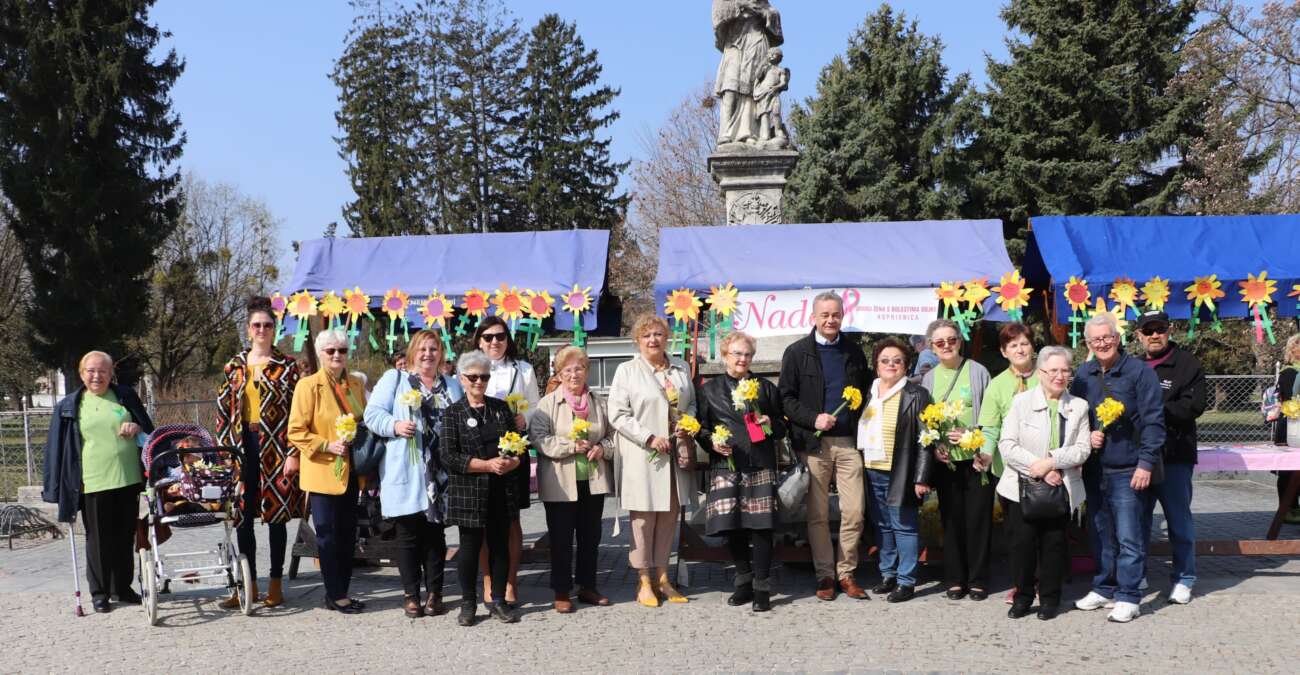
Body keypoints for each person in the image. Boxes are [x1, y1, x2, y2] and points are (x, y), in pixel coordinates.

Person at [1070, 313, 1166, 623]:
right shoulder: (1083, 375)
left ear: (1118, 338)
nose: (1102, 344)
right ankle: (1104, 587)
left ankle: (1129, 594)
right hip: (1096, 468)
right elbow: (1075, 417)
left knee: (1129, 535)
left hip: (1129, 467)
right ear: (1087, 343)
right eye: (1095, 340)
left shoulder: (1139, 372)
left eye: (1107, 337)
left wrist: (1146, 462)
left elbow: (1154, 421)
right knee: (1101, 534)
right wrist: (1087, 437)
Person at [778, 291, 873, 601]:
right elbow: (786, 398)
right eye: (825, 315)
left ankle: (846, 572)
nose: (831, 320)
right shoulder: (796, 352)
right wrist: (812, 419)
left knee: (855, 511)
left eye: (835, 314)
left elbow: (865, 393)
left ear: (842, 316)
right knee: (817, 514)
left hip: (848, 443)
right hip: (813, 444)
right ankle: (825, 575)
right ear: (813, 317)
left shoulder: (853, 352)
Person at [42, 351, 155, 614]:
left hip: (128, 478)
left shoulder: (125, 396)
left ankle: (122, 588)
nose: (97, 375)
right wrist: (53, 488)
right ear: (82, 374)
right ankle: (100, 592)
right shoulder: (70, 405)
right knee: (99, 539)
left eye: (103, 370)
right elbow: (56, 449)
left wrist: (136, 427)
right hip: (92, 481)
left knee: (125, 535)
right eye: (91, 371)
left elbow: (149, 430)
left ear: (111, 373)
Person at [364, 329, 463, 618]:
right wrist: (395, 425)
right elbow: (372, 415)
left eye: (433, 349)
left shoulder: (452, 385)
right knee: (407, 536)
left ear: (440, 354)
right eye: (422, 349)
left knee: (435, 536)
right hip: (407, 468)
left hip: (440, 474)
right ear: (412, 353)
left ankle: (435, 594)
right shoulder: (394, 380)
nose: (428, 354)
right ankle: (411, 595)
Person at [214, 296, 304, 609]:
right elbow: (223, 411)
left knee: (276, 517)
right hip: (241, 448)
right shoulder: (234, 366)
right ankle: (247, 585)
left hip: (277, 449)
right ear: (248, 329)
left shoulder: (288, 367)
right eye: (256, 325)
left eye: (267, 325)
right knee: (242, 516)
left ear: (274, 329)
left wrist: (294, 452)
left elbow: (298, 413)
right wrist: (224, 452)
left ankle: (276, 584)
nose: (262, 329)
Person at [608, 313, 697, 607]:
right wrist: (648, 437)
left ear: (666, 337)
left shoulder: (681, 367)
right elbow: (618, 414)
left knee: (668, 518)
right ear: (637, 340)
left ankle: (663, 577)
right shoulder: (626, 371)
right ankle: (643, 579)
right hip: (643, 455)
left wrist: (689, 422)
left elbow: (692, 402)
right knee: (644, 521)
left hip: (674, 454)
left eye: (658, 334)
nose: (653, 340)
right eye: (646, 336)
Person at [998, 346, 1091, 621]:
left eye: (1065, 370)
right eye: (1054, 370)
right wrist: (1036, 468)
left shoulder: (1079, 406)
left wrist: (1052, 461)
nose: (1060, 376)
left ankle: (1050, 598)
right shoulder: (1020, 402)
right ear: (1040, 373)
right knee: (1021, 546)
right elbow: (1007, 445)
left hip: (1060, 487)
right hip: (1020, 487)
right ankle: (1023, 596)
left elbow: (1082, 449)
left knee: (1054, 546)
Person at [694, 331, 786, 612]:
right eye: (736, 354)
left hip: (759, 462)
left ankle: (762, 587)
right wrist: (712, 443)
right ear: (724, 356)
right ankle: (743, 581)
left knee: (761, 528)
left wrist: (771, 423)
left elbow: (782, 429)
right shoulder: (709, 390)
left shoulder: (765, 388)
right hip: (727, 465)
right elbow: (701, 427)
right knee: (731, 526)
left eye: (747, 354)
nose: (742, 359)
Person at [529, 346, 615, 613]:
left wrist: (603, 449)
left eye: (579, 368)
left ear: (587, 371)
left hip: (593, 478)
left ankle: (588, 586)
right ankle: (562, 590)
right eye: (568, 369)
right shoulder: (547, 404)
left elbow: (614, 436)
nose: (574, 374)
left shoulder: (599, 402)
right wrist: (569, 446)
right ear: (559, 372)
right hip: (560, 483)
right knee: (561, 539)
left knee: (591, 537)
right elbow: (540, 439)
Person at [288, 328, 368, 614]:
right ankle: (335, 594)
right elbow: (295, 431)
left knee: (347, 535)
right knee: (328, 536)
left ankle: (340, 591)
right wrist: (326, 445)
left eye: (342, 351)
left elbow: (365, 420)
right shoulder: (308, 386)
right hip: (323, 473)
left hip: (352, 472)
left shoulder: (356, 384)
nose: (336, 355)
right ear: (321, 354)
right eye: (330, 351)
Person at [441, 350, 523, 626]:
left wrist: (511, 463)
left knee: (500, 546)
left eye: (484, 377)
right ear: (461, 379)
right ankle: (468, 603)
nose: (479, 382)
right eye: (473, 377)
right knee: (469, 548)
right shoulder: (453, 413)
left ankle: (498, 600)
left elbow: (518, 447)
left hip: (500, 490)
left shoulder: (500, 409)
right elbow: (449, 456)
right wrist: (485, 465)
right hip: (469, 490)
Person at [1135, 310, 1206, 604]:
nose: (1154, 335)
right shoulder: (1133, 366)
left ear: (1170, 330)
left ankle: (1184, 578)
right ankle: (1135, 576)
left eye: (1160, 329)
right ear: (1138, 335)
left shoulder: (1188, 364)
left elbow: (1194, 407)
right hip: (1139, 459)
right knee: (1136, 521)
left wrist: (1154, 410)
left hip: (1174, 456)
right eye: (1148, 330)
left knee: (1179, 521)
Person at [857, 337, 934, 603]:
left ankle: (906, 581)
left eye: (897, 361)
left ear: (906, 365)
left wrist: (922, 477)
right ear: (876, 365)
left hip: (900, 470)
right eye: (885, 360)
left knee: (904, 526)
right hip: (871, 468)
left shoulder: (917, 394)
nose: (891, 365)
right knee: (882, 525)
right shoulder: (870, 392)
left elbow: (927, 439)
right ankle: (887, 573)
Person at [920, 319, 993, 600]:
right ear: (932, 347)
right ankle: (954, 578)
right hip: (946, 461)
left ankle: (978, 579)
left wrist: (973, 435)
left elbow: (991, 416)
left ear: (960, 341)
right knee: (950, 520)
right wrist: (935, 444)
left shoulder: (978, 372)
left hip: (976, 460)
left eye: (951, 340)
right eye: (940, 342)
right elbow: (925, 420)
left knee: (978, 520)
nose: (947, 346)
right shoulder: (929, 378)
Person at [472, 316, 538, 607]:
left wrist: (528, 417)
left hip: (513, 448)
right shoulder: (470, 368)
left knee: (512, 520)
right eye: (488, 337)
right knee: (484, 521)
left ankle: (510, 582)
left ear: (507, 339)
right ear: (479, 341)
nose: (494, 342)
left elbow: (537, 406)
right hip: (481, 450)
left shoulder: (522, 369)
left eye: (499, 336)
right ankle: (488, 581)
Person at [974, 322, 1038, 604]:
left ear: (1032, 346)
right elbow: (989, 427)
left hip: (1044, 468)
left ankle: (1044, 581)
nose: (1020, 349)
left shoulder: (1048, 376)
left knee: (1045, 530)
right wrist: (986, 454)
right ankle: (1021, 583)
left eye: (1024, 343)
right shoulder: (997, 385)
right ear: (1003, 351)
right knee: (1016, 533)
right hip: (1010, 472)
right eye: (1013, 345)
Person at [712, 0, 782, 144]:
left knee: (752, 87)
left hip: (756, 41)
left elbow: (773, 14)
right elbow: (717, 16)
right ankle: (726, 133)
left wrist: (764, 13)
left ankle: (748, 132)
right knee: (730, 86)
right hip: (734, 42)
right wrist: (741, 4)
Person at [1272, 335, 1300, 523]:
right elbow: (1291, 399)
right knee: (1288, 471)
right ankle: (1288, 508)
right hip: (1291, 427)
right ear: (1293, 350)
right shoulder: (1289, 372)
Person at [752, 47, 789, 144]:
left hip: (774, 93)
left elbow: (784, 83)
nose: (773, 56)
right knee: (764, 113)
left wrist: (777, 87)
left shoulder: (781, 70)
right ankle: (765, 135)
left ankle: (778, 130)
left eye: (775, 54)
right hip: (764, 93)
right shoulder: (765, 68)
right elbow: (758, 75)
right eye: (772, 54)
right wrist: (763, 62)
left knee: (776, 112)